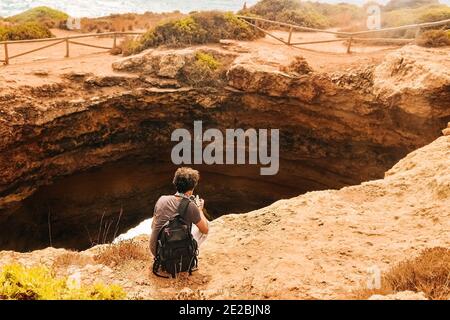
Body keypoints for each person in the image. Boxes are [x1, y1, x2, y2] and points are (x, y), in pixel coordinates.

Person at [149, 167, 209, 257]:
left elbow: (152, 225)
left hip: (156, 251)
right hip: (174, 255)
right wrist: (199, 209)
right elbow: (205, 230)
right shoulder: (190, 206)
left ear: (175, 183)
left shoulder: (162, 199)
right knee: (206, 225)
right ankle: (187, 255)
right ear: (191, 190)